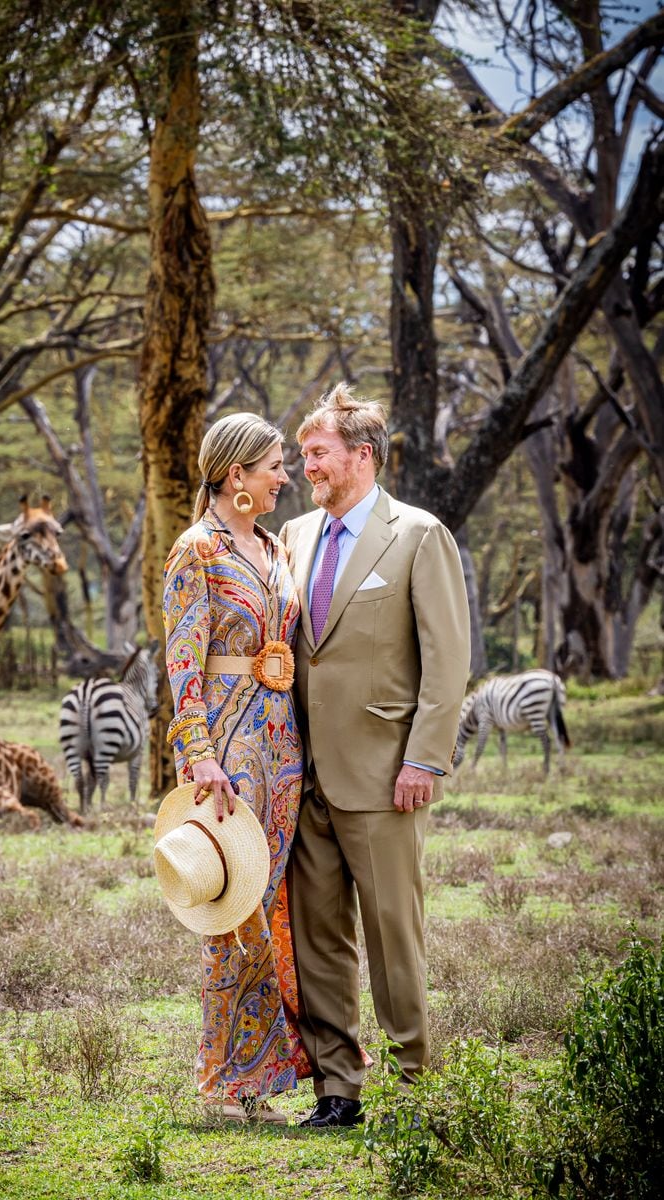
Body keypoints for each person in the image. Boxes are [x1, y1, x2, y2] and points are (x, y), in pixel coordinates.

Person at [279, 383, 471, 1129]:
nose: (306, 466)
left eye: (318, 453)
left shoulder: (419, 535)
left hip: (389, 778)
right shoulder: (294, 536)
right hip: (305, 780)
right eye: (301, 455)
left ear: (362, 455)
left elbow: (447, 662)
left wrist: (425, 760)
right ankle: (338, 1089)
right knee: (318, 940)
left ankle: (416, 1083)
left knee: (395, 937)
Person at [162, 412, 310, 1123]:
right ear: (235, 475)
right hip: (226, 748)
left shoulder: (276, 546)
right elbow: (182, 661)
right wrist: (199, 754)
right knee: (233, 911)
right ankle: (228, 1080)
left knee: (272, 903)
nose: (286, 477)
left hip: (283, 749)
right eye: (275, 465)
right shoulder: (196, 550)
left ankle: (272, 1071)